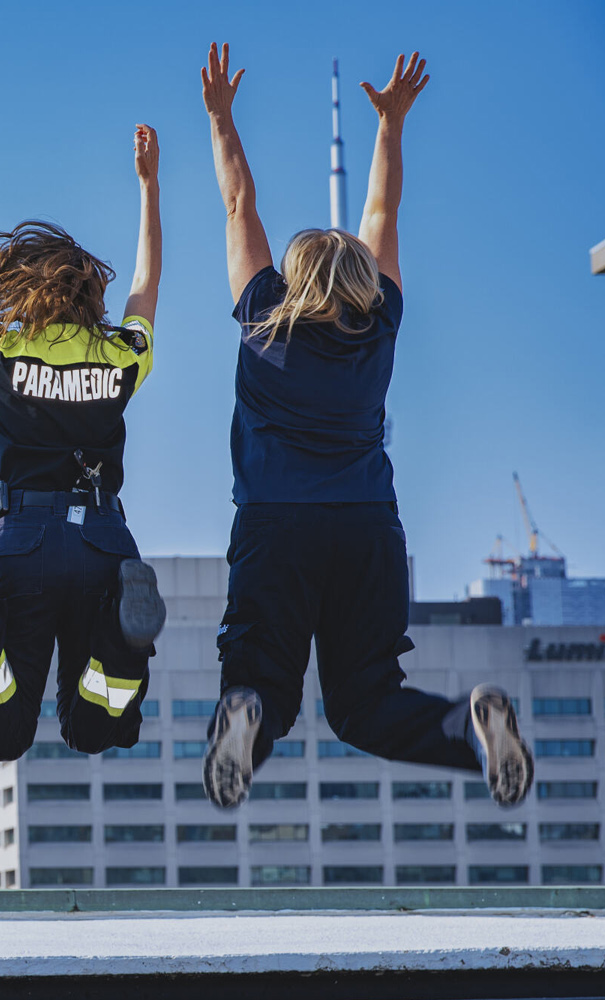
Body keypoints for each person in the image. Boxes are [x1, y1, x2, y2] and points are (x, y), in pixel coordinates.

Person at [198, 45, 532, 807]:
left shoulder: (261, 318)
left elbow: (237, 204)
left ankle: (245, 712)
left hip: (275, 527)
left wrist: (221, 118)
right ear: (357, 279)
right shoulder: (378, 325)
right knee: (365, 701)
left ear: (291, 276)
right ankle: (469, 730)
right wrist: (391, 126)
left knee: (261, 684)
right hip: (367, 529)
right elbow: (381, 212)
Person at [0, 105, 168, 767]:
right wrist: (148, 185)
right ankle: (123, 642)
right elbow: (146, 284)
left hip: (19, 541)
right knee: (95, 724)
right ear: (87, 291)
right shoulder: (118, 355)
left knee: (1, 734)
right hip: (104, 542)